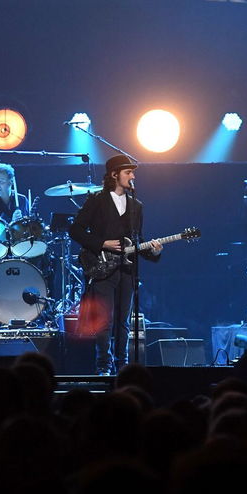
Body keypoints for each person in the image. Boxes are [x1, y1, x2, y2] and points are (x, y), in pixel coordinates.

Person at [67, 155, 161, 375]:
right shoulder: (96, 201)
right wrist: (102, 243)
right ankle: (103, 366)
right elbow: (76, 230)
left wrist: (153, 251)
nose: (133, 176)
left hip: (127, 269)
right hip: (102, 269)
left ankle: (123, 366)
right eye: (128, 172)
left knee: (123, 322)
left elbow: (137, 241)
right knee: (104, 320)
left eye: (132, 172)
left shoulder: (137, 206)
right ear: (114, 175)